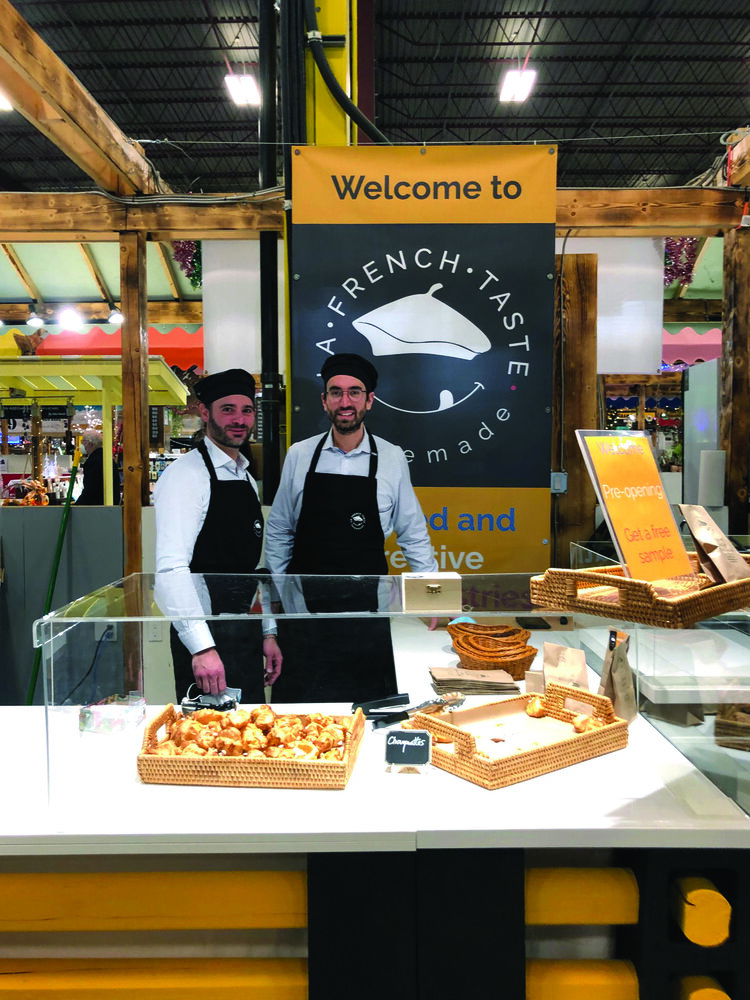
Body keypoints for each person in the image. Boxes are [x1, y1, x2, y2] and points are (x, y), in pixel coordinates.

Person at [265, 352, 437, 703]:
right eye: (336, 392)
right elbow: (279, 531)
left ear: (370, 400)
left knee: (371, 712)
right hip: (304, 615)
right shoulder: (299, 454)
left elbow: (413, 531)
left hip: (367, 613)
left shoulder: (391, 457)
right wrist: (281, 599)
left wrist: (431, 595)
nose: (345, 401)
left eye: (354, 392)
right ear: (324, 399)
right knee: (301, 716)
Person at [153, 368, 282, 703]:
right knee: (207, 742)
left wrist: (267, 632)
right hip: (205, 640)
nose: (239, 419)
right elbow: (171, 570)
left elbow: (252, 570)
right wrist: (202, 648)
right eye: (228, 410)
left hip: (244, 635)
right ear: (205, 412)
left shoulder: (245, 477)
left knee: (252, 735)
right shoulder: (185, 476)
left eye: (246, 410)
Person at [75, 430, 121, 505]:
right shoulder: (106, 458)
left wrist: (77, 505)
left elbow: (91, 489)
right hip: (110, 504)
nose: (81, 444)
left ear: (90, 443)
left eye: (83, 441)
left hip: (97, 506)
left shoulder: (94, 461)